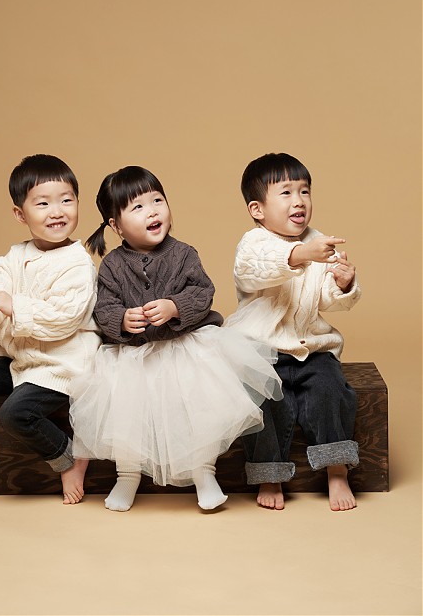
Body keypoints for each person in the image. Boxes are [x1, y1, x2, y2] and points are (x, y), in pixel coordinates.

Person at [69, 165, 282, 511]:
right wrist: (122, 319)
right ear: (116, 225)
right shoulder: (111, 266)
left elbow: (203, 292)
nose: (152, 211)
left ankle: (204, 473)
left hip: (185, 350)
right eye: (138, 207)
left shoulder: (184, 254)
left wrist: (174, 307)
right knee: (126, 418)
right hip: (134, 358)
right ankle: (127, 475)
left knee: (198, 412)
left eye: (157, 200)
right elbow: (104, 308)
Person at [0, 154, 100, 508]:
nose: (57, 212)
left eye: (66, 200)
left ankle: (68, 457)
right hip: (21, 358)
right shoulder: (15, 256)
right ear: (21, 214)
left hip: (61, 364)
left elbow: (64, 318)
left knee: (15, 413)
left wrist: (15, 306)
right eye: (43, 203)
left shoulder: (78, 263)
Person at [225, 153, 361, 512]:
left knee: (331, 389)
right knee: (263, 403)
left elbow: (328, 298)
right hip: (261, 351)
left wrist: (343, 283)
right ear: (257, 209)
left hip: (311, 348)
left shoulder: (319, 241)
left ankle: (336, 469)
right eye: (286, 193)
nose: (298, 200)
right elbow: (254, 270)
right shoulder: (254, 243)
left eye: (304, 191)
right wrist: (301, 254)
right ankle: (269, 474)